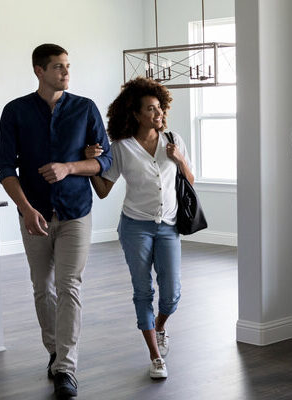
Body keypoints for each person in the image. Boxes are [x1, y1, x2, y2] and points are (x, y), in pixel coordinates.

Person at [0, 43, 112, 398]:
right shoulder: (15, 111)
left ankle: (66, 366)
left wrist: (70, 167)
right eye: (59, 67)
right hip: (34, 215)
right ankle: (54, 351)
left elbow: (104, 162)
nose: (66, 72)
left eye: (68, 66)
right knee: (42, 288)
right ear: (39, 70)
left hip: (76, 211)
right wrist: (26, 209)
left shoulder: (85, 108)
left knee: (69, 286)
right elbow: (5, 168)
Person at [84, 77, 193, 380]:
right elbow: (104, 190)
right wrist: (88, 164)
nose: (158, 114)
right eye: (151, 109)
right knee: (143, 290)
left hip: (169, 226)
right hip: (135, 227)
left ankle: (159, 327)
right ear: (135, 113)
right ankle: (155, 357)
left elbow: (190, 180)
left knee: (171, 294)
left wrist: (179, 157)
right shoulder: (121, 147)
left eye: (159, 108)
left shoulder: (173, 138)